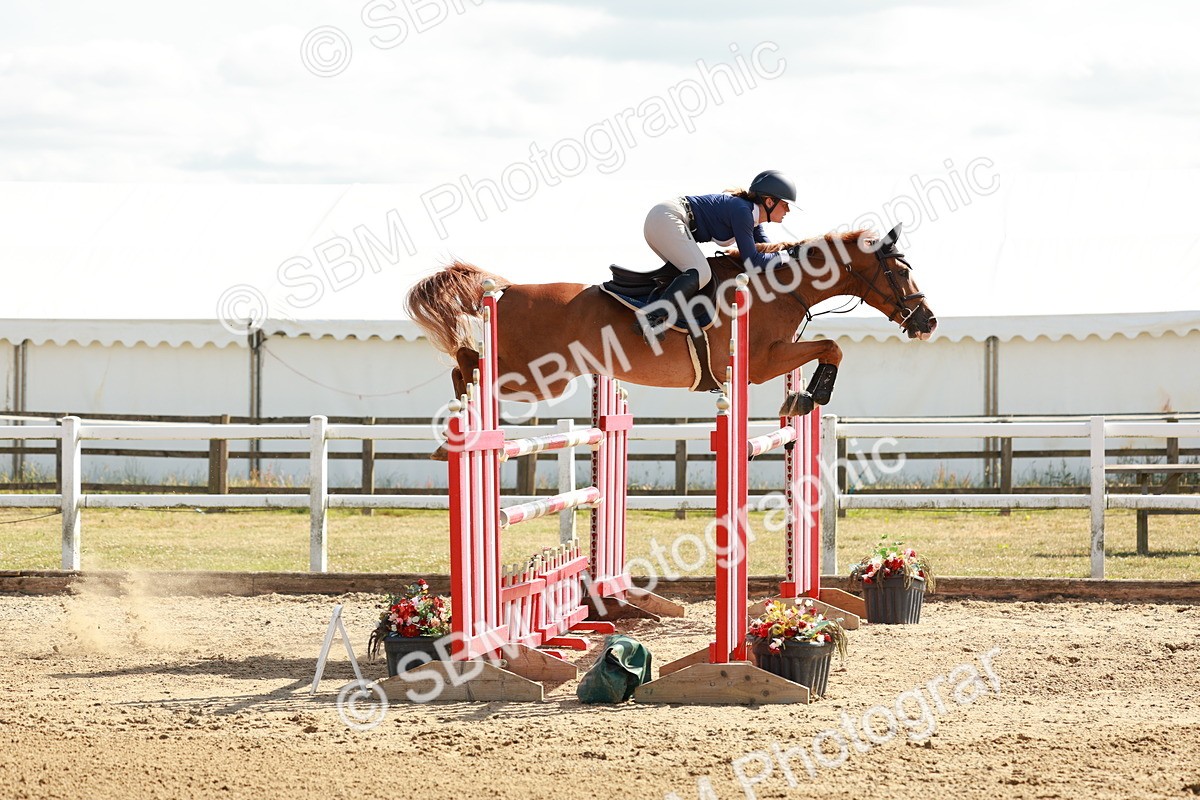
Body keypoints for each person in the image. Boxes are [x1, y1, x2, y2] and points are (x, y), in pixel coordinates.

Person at [640, 169, 798, 340]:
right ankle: (652, 318)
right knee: (701, 271)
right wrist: (788, 255)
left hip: (662, 220)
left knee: (689, 276)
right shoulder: (742, 211)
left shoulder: (750, 218)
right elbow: (752, 261)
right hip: (667, 218)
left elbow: (767, 250)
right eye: (785, 204)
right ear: (769, 202)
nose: (788, 210)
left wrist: (788, 255)